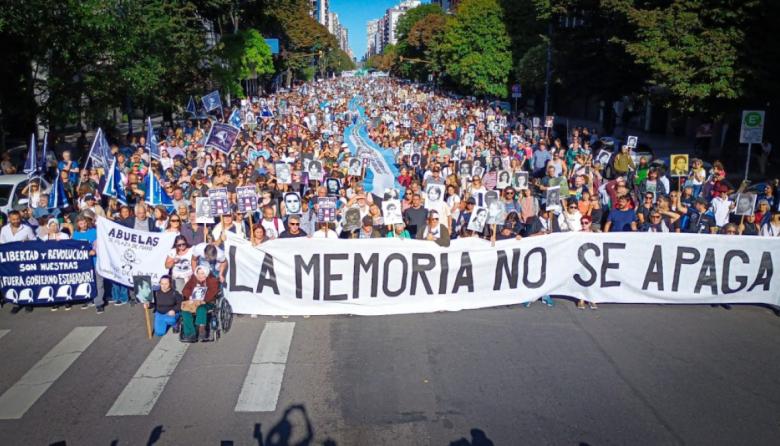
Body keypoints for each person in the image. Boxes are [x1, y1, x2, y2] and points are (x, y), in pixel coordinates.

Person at [181, 265, 220, 342]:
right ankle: (190, 333)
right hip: (194, 301)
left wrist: (203, 300)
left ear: (206, 273)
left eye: (202, 273)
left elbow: (213, 293)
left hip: (207, 302)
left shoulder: (212, 280)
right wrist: (191, 296)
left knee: (201, 309)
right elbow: (185, 289)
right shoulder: (193, 278)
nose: (200, 276)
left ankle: (202, 329)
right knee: (185, 311)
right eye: (198, 273)